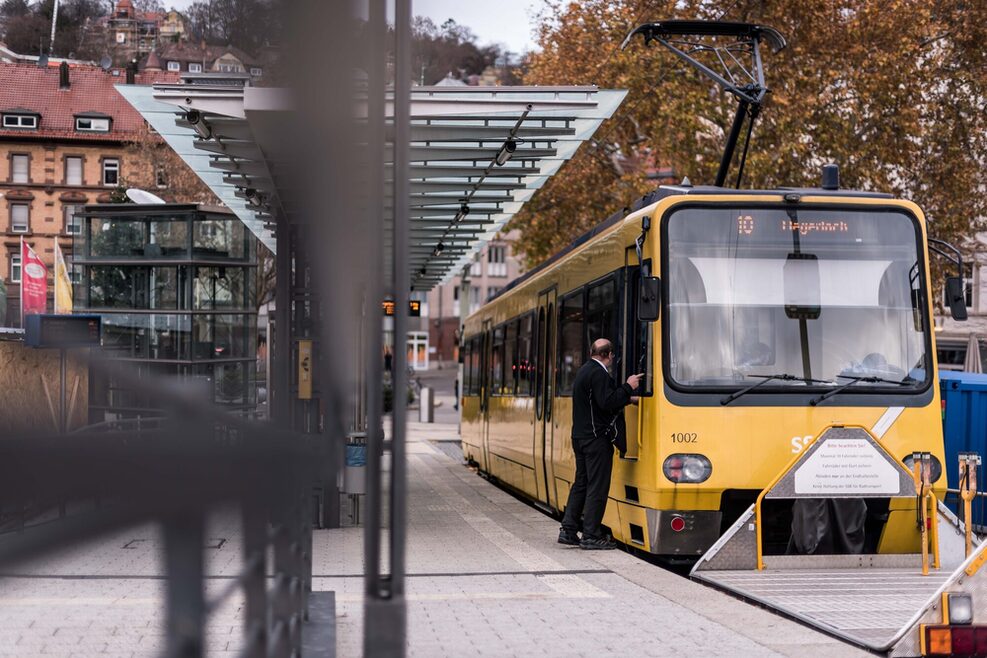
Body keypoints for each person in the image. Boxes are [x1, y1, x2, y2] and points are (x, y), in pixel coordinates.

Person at [559, 339, 643, 550]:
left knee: (581, 483)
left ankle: (568, 530)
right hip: (596, 440)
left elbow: (598, 401)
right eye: (612, 355)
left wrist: (627, 398)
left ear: (592, 352)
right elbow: (606, 403)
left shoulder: (584, 371)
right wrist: (628, 386)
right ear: (609, 355)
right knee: (597, 487)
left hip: (581, 437)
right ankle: (591, 535)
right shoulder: (599, 373)